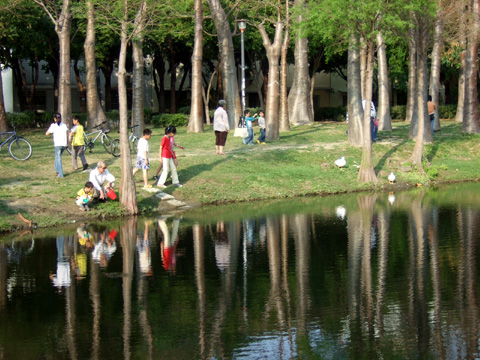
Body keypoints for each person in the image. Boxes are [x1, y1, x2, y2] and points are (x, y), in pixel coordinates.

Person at [46, 113, 69, 178]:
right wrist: (68, 143)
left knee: (58, 158)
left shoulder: (53, 125)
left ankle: (60, 174)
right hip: (64, 144)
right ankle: (57, 171)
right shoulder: (64, 125)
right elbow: (67, 134)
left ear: (55, 119)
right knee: (57, 157)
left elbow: (47, 133)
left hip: (58, 144)